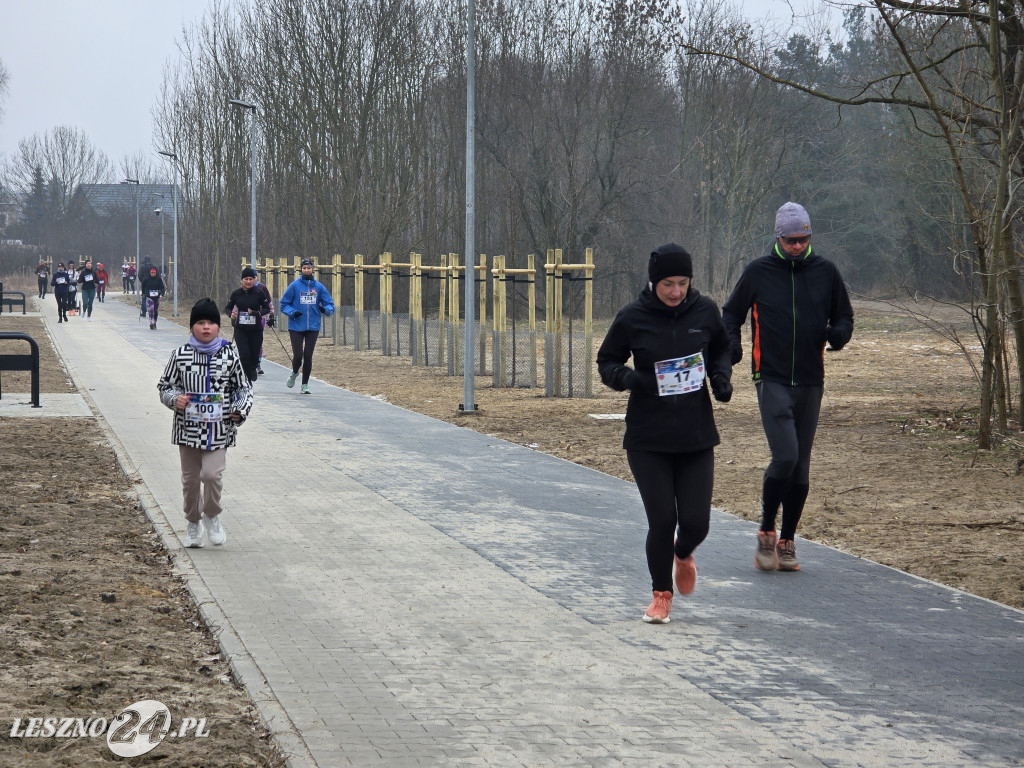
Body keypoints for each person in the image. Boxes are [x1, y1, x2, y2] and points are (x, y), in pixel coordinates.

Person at [597, 243, 733, 624]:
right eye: (668, 284)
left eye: (683, 283)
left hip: (695, 435)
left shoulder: (704, 312)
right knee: (661, 521)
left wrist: (721, 377)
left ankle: (684, 552)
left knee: (695, 523)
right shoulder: (632, 317)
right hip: (648, 438)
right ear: (653, 282)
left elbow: (723, 348)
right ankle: (661, 595)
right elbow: (606, 361)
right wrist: (629, 379)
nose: (676, 292)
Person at [722, 202, 854, 573]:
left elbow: (843, 314)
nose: (797, 245)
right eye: (790, 240)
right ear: (778, 237)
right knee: (786, 455)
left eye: (803, 239)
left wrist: (840, 335)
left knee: (801, 467)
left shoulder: (826, 271)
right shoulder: (758, 271)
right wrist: (733, 345)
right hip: (772, 377)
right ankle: (766, 529)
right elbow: (731, 313)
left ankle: (788, 540)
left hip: (811, 379)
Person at [157, 298, 253, 549]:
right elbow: (164, 386)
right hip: (187, 429)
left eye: (211, 322)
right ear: (192, 327)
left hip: (219, 429)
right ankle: (193, 522)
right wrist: (175, 399)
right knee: (190, 480)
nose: (206, 327)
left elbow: (243, 388)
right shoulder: (180, 355)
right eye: (200, 323)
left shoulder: (229, 354)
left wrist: (240, 411)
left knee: (211, 475)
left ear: (219, 327)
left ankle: (212, 514)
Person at [278, 259, 334, 394]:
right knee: (298, 356)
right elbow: (284, 304)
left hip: (313, 327)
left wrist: (325, 309)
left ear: (313, 269)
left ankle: (305, 385)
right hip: (296, 326)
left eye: (309, 268)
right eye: (304, 268)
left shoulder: (319, 287)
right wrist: (292, 312)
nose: (307, 270)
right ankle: (295, 372)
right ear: (301, 270)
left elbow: (330, 304)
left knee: (308, 356)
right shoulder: (294, 286)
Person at [225, 267, 271, 383]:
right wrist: (231, 314)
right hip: (241, 328)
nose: (249, 281)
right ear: (242, 280)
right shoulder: (236, 293)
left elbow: (266, 308)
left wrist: (257, 313)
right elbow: (228, 307)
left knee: (254, 354)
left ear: (254, 280)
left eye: (251, 279)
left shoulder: (259, 293)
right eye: (246, 279)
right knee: (244, 354)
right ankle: (247, 379)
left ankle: (253, 368)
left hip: (255, 329)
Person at [253, 275, 275, 375]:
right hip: (245, 320)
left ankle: (258, 363)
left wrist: (271, 315)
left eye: (253, 277)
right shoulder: (242, 289)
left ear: (256, 277)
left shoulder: (262, 287)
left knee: (258, 341)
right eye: (247, 278)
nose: (251, 280)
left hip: (260, 317)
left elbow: (269, 302)